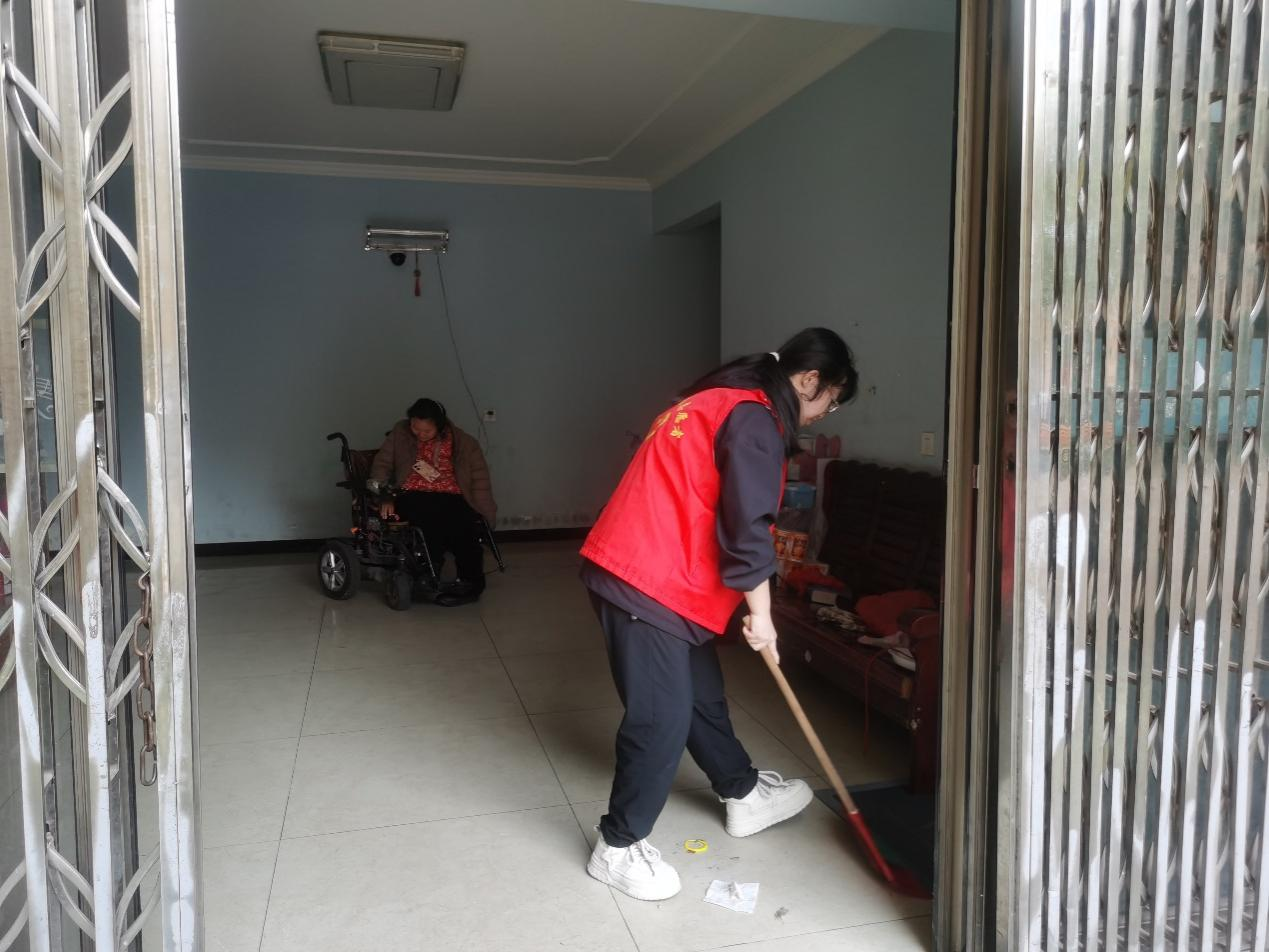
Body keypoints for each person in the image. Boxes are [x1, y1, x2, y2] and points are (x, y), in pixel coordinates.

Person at [578, 327, 858, 901]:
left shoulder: (719, 398)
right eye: (830, 401)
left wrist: (751, 607)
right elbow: (748, 527)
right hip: (648, 578)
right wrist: (764, 616)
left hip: (662, 573)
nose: (823, 414)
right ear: (810, 380)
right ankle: (619, 845)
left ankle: (742, 792)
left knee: (701, 695)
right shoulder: (754, 418)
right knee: (661, 717)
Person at [370, 398, 496, 607]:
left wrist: (485, 512)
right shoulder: (400, 433)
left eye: (427, 430)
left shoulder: (464, 443)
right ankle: (428, 575)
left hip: (452, 494)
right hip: (412, 493)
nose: (420, 434)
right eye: (415, 428)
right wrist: (384, 495)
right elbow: (381, 465)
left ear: (440, 425)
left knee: (465, 524)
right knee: (430, 520)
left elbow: (479, 481)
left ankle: (470, 584)